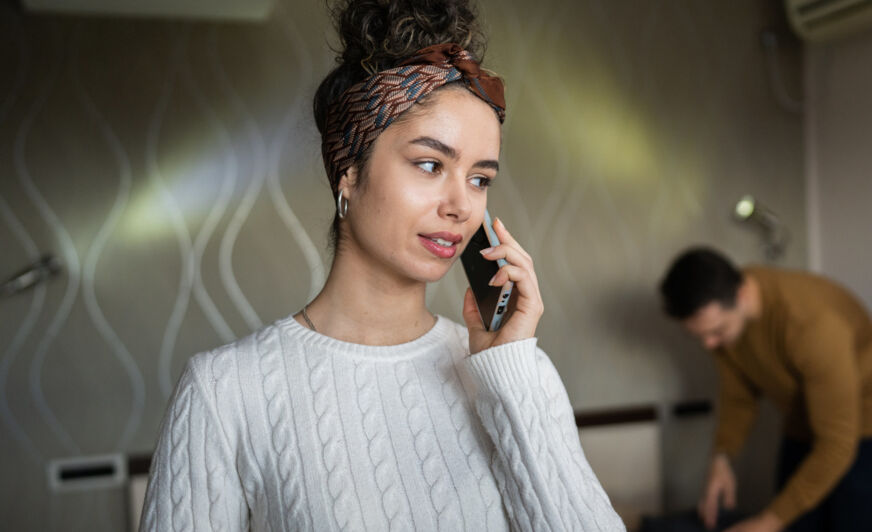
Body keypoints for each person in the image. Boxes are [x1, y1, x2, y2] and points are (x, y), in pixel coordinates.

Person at [139, 1, 625, 530]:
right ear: (348, 172)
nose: (462, 205)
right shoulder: (225, 390)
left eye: (480, 178)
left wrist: (509, 372)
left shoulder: (514, 370)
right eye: (430, 164)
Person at [659, 248, 872, 532]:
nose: (709, 345)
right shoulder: (723, 327)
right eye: (700, 336)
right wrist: (721, 457)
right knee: (794, 521)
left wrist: (766, 523)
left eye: (717, 331)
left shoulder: (810, 324)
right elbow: (738, 398)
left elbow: (837, 445)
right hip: (804, 425)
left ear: (741, 296)